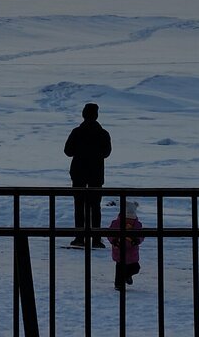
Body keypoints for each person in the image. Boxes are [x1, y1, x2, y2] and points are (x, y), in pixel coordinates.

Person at [64, 102, 112, 247]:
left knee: (79, 206)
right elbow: (106, 153)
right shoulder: (103, 133)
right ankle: (96, 238)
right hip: (96, 174)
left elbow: (68, 151)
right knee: (95, 206)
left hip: (78, 173)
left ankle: (79, 237)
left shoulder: (77, 132)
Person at [109, 199, 144, 292]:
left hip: (132, 251)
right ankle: (118, 284)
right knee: (119, 267)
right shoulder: (117, 223)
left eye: (131, 219)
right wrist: (114, 241)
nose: (129, 221)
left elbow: (141, 235)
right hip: (119, 249)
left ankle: (126, 276)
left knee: (135, 267)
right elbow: (110, 234)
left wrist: (137, 240)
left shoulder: (137, 225)